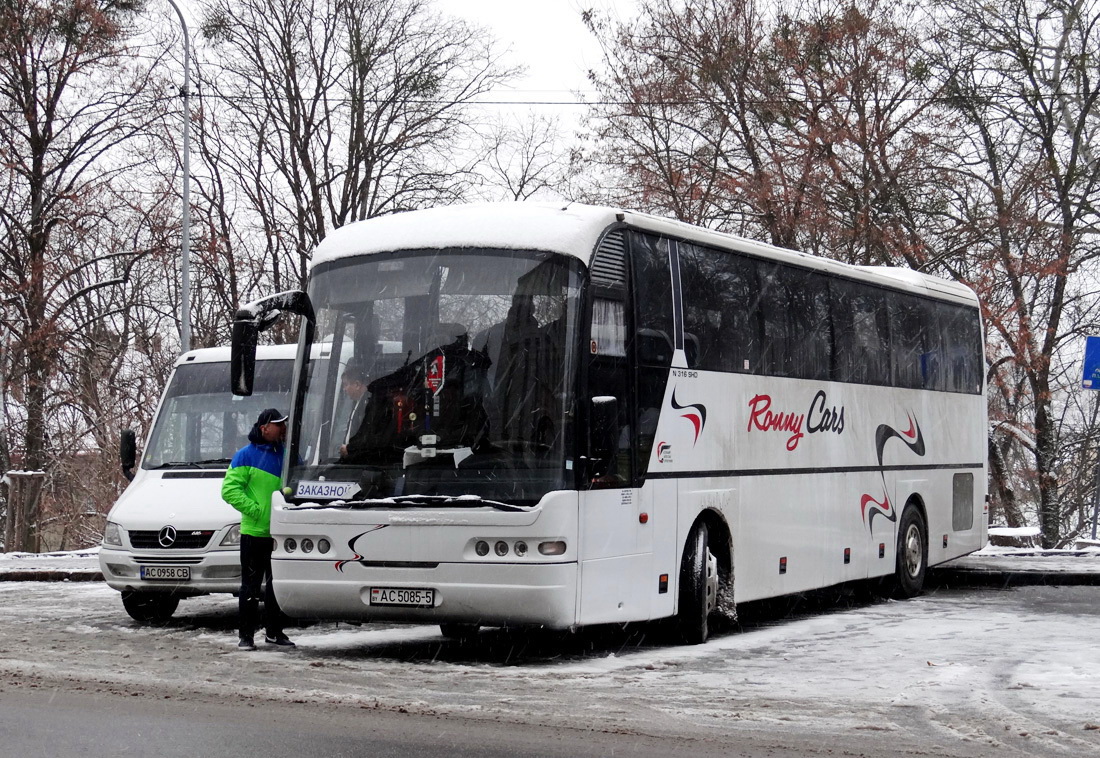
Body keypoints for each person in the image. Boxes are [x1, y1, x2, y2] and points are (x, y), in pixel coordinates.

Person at [222, 408, 295, 649]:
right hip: (254, 533)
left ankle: (274, 632)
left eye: (284, 424)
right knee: (251, 588)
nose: (283, 428)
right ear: (264, 427)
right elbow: (229, 491)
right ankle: (246, 637)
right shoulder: (245, 456)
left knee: (276, 586)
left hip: (280, 533)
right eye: (278, 424)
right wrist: (256, 511)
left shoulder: (288, 456)